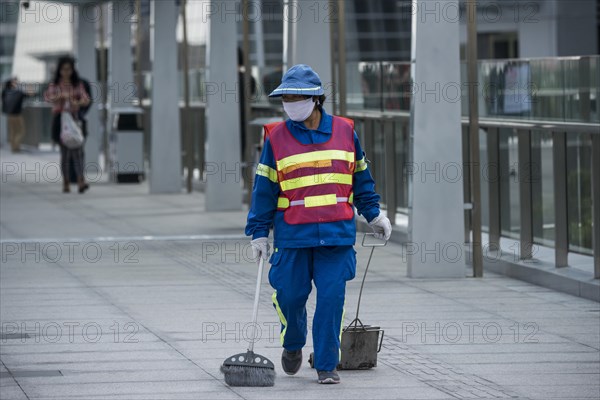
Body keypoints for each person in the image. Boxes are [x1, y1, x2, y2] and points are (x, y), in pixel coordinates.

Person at [245, 64, 392, 384]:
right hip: (293, 235)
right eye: (286, 98)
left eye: (296, 97)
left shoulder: (345, 131)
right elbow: (264, 188)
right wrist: (258, 232)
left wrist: (374, 214)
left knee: (331, 298)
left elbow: (361, 177)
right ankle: (293, 342)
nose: (290, 103)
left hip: (336, 235)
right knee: (290, 295)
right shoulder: (276, 137)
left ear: (315, 100)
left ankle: (327, 364)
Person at [44, 56, 90, 194]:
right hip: (60, 120)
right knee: (65, 153)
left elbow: (86, 99)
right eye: (64, 69)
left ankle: (80, 180)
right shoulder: (55, 84)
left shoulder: (77, 84)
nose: (66, 72)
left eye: (69, 69)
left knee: (77, 151)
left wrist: (77, 102)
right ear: (60, 70)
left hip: (73, 119)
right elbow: (48, 97)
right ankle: (66, 181)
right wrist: (60, 97)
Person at [1, 77, 28, 153]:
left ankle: (13, 148)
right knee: (21, 131)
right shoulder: (18, 92)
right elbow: (28, 95)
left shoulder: (5, 91)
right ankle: (16, 146)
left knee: (13, 131)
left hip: (9, 114)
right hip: (17, 114)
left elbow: (3, 101)